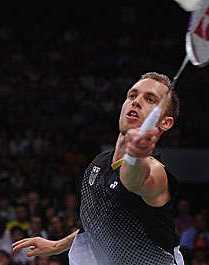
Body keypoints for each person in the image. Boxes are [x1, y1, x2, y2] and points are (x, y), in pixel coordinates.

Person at [12, 72, 183, 264]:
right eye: (132, 95)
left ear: (165, 122)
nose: (136, 102)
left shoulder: (155, 173)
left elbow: (133, 179)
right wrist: (57, 245)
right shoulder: (99, 163)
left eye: (150, 99)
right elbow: (100, 224)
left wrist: (136, 154)